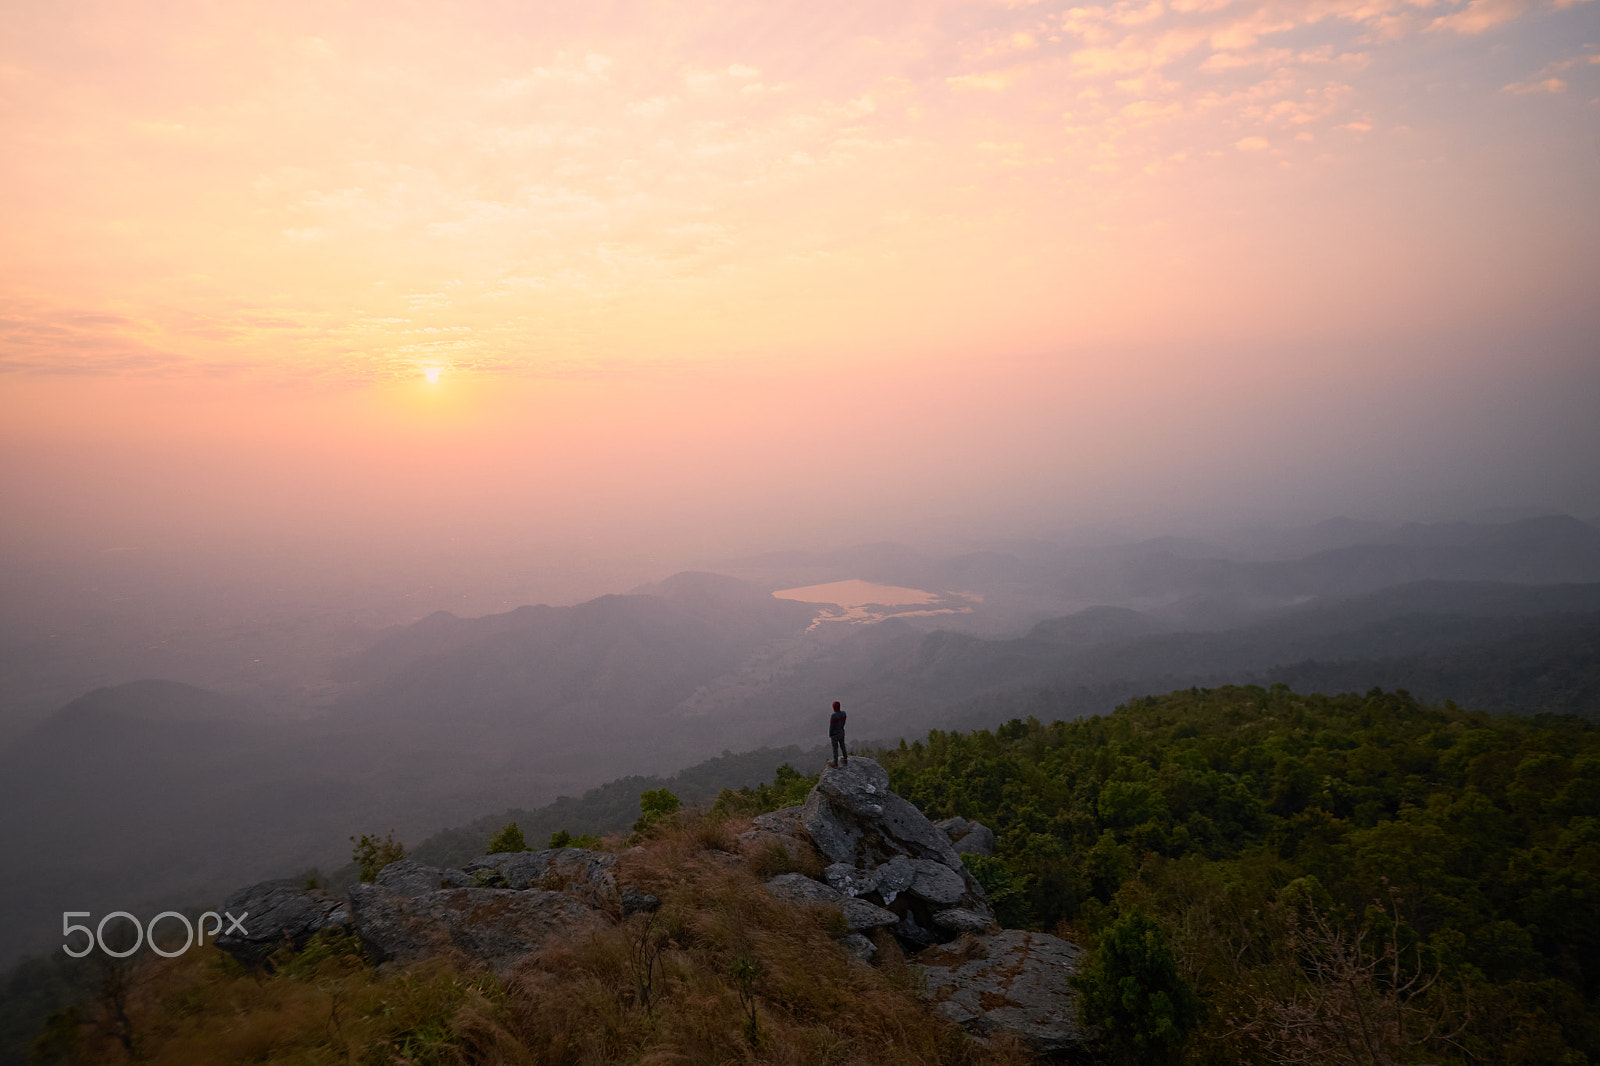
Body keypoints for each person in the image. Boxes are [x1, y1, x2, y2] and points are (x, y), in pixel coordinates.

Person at [829, 700, 848, 767]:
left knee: (835, 749)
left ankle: (835, 763)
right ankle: (845, 759)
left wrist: (830, 734)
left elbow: (832, 726)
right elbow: (843, 723)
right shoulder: (843, 713)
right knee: (843, 746)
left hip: (835, 734)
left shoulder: (834, 716)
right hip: (841, 732)